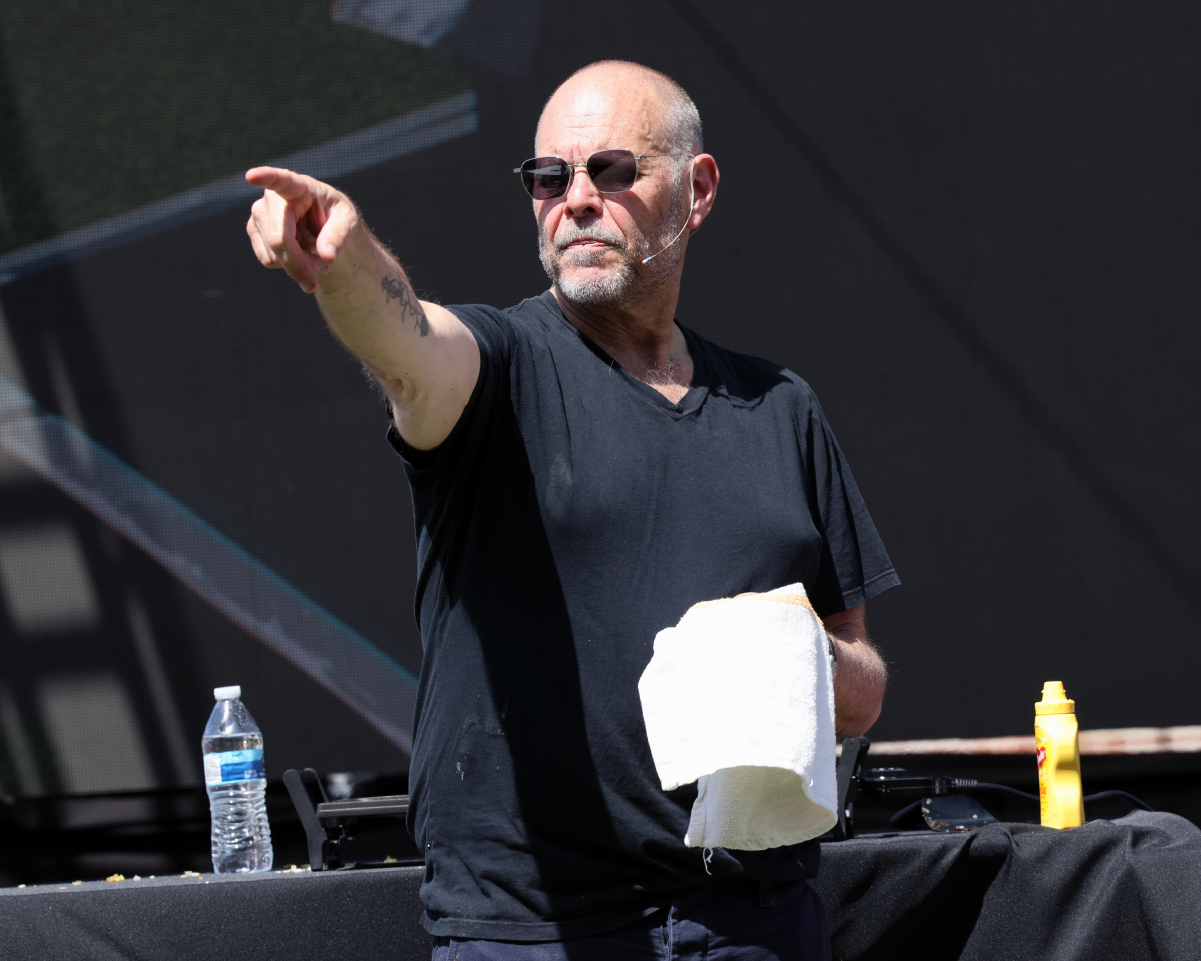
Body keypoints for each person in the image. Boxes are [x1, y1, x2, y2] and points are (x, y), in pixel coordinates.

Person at [246, 60, 898, 961]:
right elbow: (408, 346)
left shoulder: (779, 405)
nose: (576, 199)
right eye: (549, 178)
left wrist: (797, 657)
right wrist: (342, 262)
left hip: (756, 923)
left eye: (613, 171)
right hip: (538, 934)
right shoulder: (504, 365)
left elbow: (860, 686)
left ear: (696, 189)